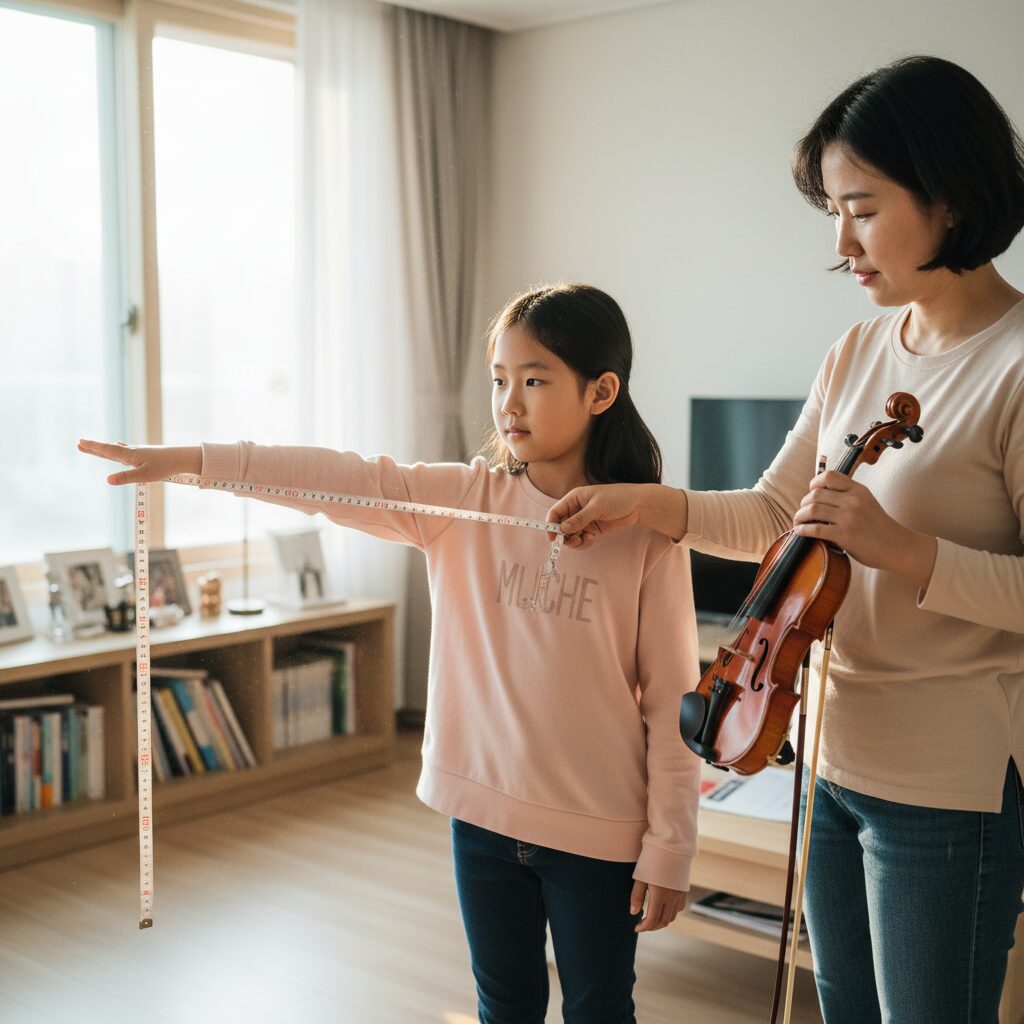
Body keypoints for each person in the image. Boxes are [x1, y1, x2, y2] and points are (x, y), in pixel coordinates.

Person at [78, 283, 701, 1024]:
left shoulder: (649, 530)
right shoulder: (457, 503)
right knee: (504, 1008)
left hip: (598, 832)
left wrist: (671, 848)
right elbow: (330, 476)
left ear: (601, 391)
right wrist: (189, 461)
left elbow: (674, 704)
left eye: (534, 381)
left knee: (600, 1012)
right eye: (499, 380)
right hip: (480, 821)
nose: (510, 403)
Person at [548, 56, 1024, 1024]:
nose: (840, 242)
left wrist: (902, 549)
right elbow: (775, 512)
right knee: (841, 1006)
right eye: (830, 212)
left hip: (947, 780)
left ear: (949, 197)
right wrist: (645, 501)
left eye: (860, 207)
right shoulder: (857, 348)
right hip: (830, 752)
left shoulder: (1015, 365)